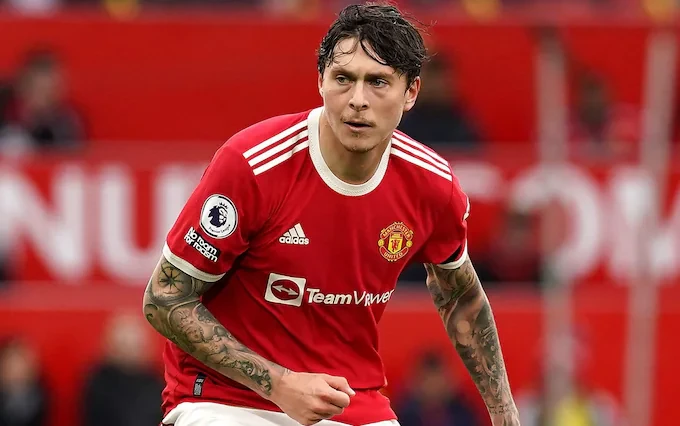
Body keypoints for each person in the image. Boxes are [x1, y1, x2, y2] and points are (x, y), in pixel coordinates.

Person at [143, 3, 519, 426]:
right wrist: (279, 384)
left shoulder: (433, 185)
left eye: (378, 82)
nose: (357, 100)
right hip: (226, 400)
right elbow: (164, 298)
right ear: (320, 80)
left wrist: (505, 414)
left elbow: (462, 298)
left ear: (411, 92)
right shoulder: (252, 164)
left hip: (350, 403)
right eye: (343, 79)